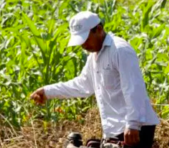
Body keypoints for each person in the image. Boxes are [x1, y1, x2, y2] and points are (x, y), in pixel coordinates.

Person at [30, 11, 160, 148]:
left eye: (85, 39)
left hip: (134, 129)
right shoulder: (94, 57)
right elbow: (82, 85)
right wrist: (47, 91)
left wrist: (133, 123)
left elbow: (133, 88)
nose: (83, 45)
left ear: (98, 29)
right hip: (115, 130)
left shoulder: (120, 50)